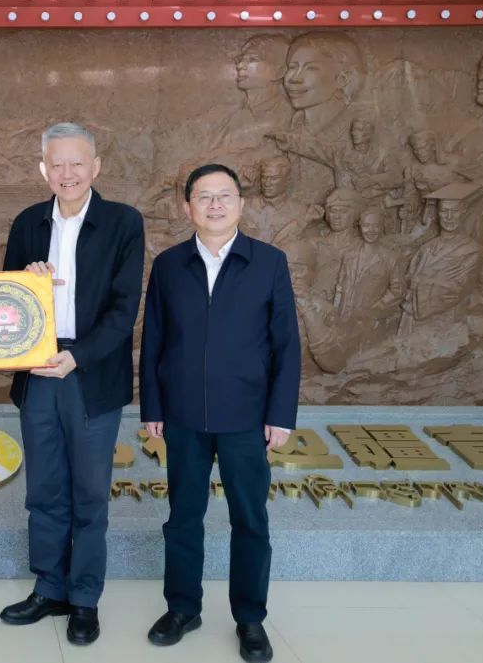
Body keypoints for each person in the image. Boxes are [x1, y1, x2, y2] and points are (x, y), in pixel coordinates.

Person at [139, 164, 300, 663]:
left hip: (246, 417)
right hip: (183, 416)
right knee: (182, 518)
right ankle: (182, 608)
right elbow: (153, 341)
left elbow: (286, 344)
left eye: (224, 196)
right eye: (204, 196)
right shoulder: (169, 264)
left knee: (249, 519)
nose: (214, 205)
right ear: (187, 206)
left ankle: (250, 618)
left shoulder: (268, 262)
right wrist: (153, 406)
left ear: (241, 204)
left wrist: (280, 414)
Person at [0, 122, 144, 645]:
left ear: (95, 167)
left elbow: (124, 308)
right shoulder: (27, 223)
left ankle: (84, 598)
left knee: (89, 494)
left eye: (77, 163)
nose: (67, 173)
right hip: (38, 370)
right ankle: (49, 587)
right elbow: (5, 298)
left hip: (91, 372)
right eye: (56, 164)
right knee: (44, 489)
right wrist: (26, 281)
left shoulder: (123, 222)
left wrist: (77, 356)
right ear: (44, 169)